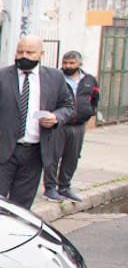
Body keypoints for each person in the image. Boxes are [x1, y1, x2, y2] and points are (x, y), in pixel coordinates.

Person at [0, 35, 74, 209]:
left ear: (41, 54)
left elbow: (68, 106)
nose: (23, 56)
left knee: (21, 206)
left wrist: (56, 117)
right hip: (1, 150)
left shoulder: (54, 77)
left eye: (30, 52)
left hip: (35, 152)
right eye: (20, 52)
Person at [42, 50, 100, 203]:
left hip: (78, 125)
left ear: (80, 63)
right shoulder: (55, 78)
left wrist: (90, 112)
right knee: (53, 157)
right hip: (58, 124)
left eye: (72, 63)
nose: (68, 66)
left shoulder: (89, 80)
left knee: (72, 157)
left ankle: (65, 187)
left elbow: (95, 98)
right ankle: (50, 188)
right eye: (65, 63)